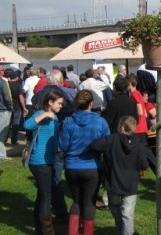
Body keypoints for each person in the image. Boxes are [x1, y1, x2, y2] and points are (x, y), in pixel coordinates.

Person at [90, 116, 156, 235]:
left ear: (121, 127)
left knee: (114, 206)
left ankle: (122, 228)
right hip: (130, 184)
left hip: (113, 182)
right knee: (127, 214)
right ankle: (124, 230)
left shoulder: (110, 140)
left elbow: (94, 144)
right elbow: (144, 165)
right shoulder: (139, 145)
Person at [58, 89, 111, 235]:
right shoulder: (100, 121)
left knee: (76, 201)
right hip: (92, 166)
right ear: (91, 104)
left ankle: (73, 232)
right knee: (89, 202)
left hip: (72, 166)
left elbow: (62, 145)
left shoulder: (68, 121)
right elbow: (107, 143)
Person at [24, 90, 63, 234]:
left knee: (42, 194)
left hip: (50, 159)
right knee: (47, 195)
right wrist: (45, 115)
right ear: (50, 103)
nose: (60, 106)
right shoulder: (39, 114)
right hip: (39, 161)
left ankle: (39, 228)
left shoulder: (56, 118)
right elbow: (27, 126)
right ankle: (47, 231)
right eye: (58, 103)